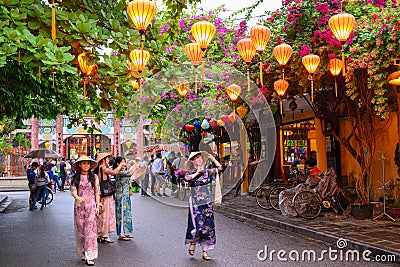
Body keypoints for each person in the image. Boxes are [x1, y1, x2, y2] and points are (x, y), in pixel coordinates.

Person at [184, 151, 223, 261]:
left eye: (200, 158)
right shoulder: (189, 172)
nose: (199, 159)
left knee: (207, 226)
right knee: (197, 225)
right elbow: (187, 179)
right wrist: (197, 173)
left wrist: (212, 158)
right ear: (192, 161)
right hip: (195, 203)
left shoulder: (207, 172)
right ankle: (193, 242)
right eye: (196, 158)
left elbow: (220, 168)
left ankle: (205, 251)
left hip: (206, 202)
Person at [70, 155, 101, 266]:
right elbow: (73, 190)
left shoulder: (94, 177)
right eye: (84, 163)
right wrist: (77, 197)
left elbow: (97, 191)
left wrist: (97, 205)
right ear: (79, 165)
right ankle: (84, 251)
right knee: (81, 231)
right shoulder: (75, 178)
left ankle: (89, 255)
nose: (86, 165)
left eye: (88, 163)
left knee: (90, 230)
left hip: (91, 206)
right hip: (79, 207)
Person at [95, 153, 125, 243]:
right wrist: (120, 165)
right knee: (106, 214)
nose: (108, 160)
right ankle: (105, 235)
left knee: (101, 215)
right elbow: (114, 172)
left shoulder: (99, 169)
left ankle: (100, 234)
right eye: (107, 159)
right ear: (104, 159)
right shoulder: (103, 168)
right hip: (106, 194)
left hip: (101, 194)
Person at [113, 156, 134, 241]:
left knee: (127, 213)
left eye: (124, 162)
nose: (124, 164)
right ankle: (121, 234)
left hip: (125, 195)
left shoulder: (123, 171)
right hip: (120, 195)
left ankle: (126, 232)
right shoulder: (118, 171)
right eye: (122, 162)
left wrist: (130, 189)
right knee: (121, 213)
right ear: (118, 163)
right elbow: (130, 173)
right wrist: (136, 165)